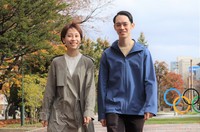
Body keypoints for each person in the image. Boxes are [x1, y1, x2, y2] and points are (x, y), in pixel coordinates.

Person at [98, 11, 157, 132]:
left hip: (136, 108)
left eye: (125, 24)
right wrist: (102, 112)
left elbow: (150, 80)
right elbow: (102, 85)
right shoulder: (108, 54)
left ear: (132, 25)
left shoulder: (143, 52)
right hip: (113, 108)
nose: (122, 27)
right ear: (114, 27)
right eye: (118, 25)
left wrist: (150, 106)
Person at [40, 22, 96, 132]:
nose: (73, 39)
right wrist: (45, 114)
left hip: (80, 114)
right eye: (69, 36)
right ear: (63, 39)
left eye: (76, 36)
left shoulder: (87, 63)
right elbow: (49, 90)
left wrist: (88, 111)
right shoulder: (56, 62)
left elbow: (90, 90)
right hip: (59, 115)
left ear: (80, 39)